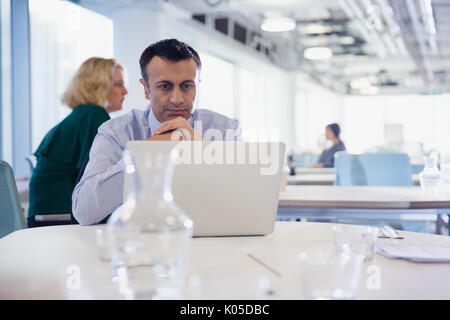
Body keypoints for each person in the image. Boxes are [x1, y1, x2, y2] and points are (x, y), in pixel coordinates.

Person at [72, 39, 241, 226]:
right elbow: (84, 211)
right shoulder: (116, 133)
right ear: (146, 89)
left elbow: (243, 201)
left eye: (186, 86)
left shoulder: (225, 130)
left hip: (214, 242)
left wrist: (202, 148)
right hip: (142, 243)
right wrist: (146, 152)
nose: (177, 99)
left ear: (197, 86)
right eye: (165, 86)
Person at [28, 57, 128, 228]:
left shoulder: (80, 115)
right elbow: (99, 178)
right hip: (58, 216)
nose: (125, 91)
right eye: (118, 85)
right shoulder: (94, 114)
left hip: (43, 214)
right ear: (98, 86)